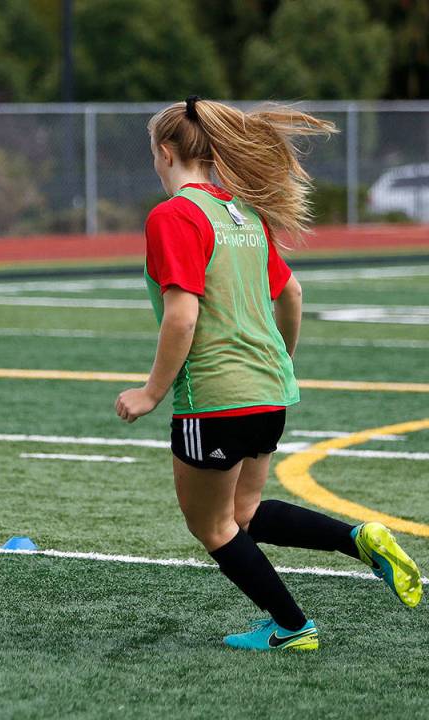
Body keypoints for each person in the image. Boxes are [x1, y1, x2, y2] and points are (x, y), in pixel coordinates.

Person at [115, 96, 422, 651]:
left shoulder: (173, 215)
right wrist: (280, 357)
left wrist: (150, 391)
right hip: (270, 390)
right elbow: (292, 294)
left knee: (212, 527)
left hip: (213, 396)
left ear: (165, 153)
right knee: (245, 513)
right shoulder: (244, 213)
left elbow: (182, 316)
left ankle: (293, 625)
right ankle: (359, 538)